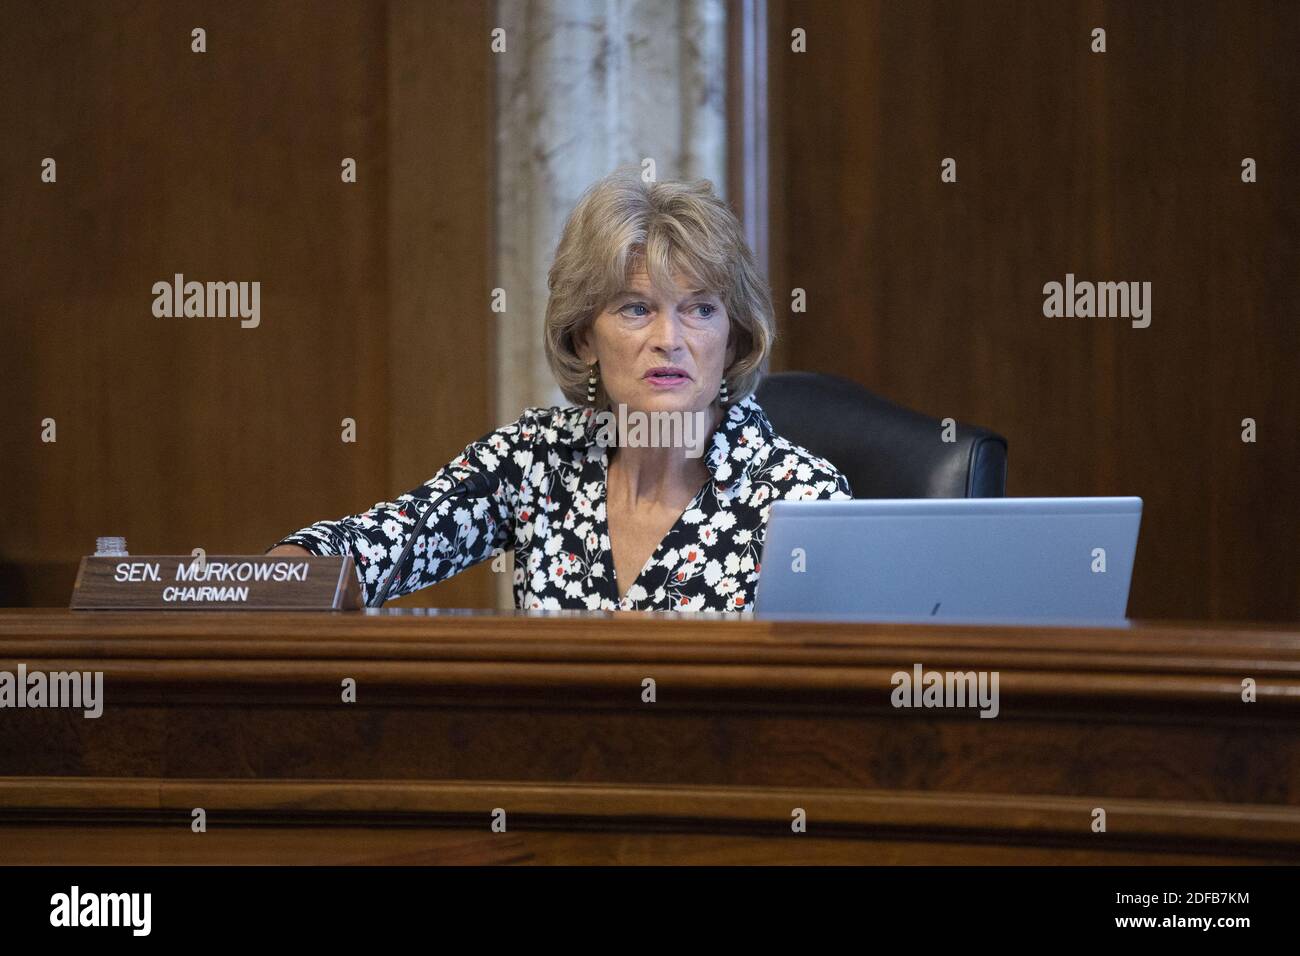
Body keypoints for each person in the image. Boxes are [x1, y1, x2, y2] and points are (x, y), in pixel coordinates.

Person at [268, 168, 851, 611]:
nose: (669, 339)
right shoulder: (536, 460)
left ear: (732, 339)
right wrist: (274, 579)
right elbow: (374, 549)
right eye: (636, 308)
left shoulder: (801, 499)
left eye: (700, 309)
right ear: (583, 338)